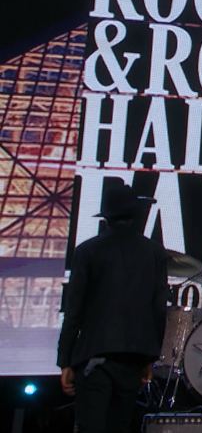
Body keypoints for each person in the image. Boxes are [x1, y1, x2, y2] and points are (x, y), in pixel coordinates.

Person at [57, 183, 168, 433]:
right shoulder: (155, 253)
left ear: (106, 217)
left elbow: (73, 310)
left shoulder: (87, 250)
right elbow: (159, 311)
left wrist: (65, 360)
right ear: (137, 215)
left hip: (93, 356)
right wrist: (149, 358)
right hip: (133, 358)